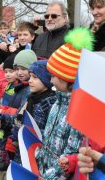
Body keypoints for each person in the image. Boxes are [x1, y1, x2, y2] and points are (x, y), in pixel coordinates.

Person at [36, 28, 94, 179]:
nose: (50, 80)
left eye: (54, 76)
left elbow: (72, 152)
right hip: (44, 169)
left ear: (68, 80)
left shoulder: (78, 112)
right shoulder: (57, 102)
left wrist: (49, 176)